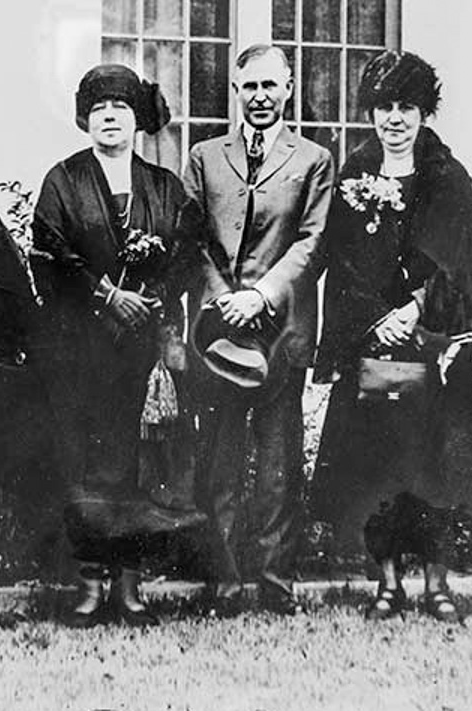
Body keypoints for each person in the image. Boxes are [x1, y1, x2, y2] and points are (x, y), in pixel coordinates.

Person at [32, 63, 205, 628]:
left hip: (142, 352)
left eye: (121, 108)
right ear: (86, 118)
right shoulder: (63, 180)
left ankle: (130, 586)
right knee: (83, 461)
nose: (110, 117)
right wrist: (105, 295)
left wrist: (150, 299)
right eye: (100, 108)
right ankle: (88, 583)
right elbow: (49, 251)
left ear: (138, 120)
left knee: (137, 463)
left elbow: (185, 255)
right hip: (79, 348)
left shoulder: (165, 186)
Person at [311, 51, 472, 623]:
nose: (395, 119)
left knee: (434, 466)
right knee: (375, 468)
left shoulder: (446, 176)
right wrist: (374, 320)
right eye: (385, 106)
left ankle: (438, 585)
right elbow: (341, 261)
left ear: (424, 110)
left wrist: (414, 310)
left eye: (407, 106)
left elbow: (457, 260)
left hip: (434, 344)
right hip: (372, 343)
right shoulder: (355, 172)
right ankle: (387, 583)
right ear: (371, 112)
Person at [182, 44, 333, 616]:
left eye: (272, 86)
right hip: (218, 332)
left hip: (280, 331)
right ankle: (222, 581)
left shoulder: (313, 158)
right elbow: (191, 236)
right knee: (218, 462)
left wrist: (261, 294)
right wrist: (225, 299)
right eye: (250, 87)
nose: (261, 97)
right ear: (236, 92)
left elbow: (313, 242)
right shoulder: (204, 156)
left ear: (289, 88)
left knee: (278, 466)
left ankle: (275, 584)